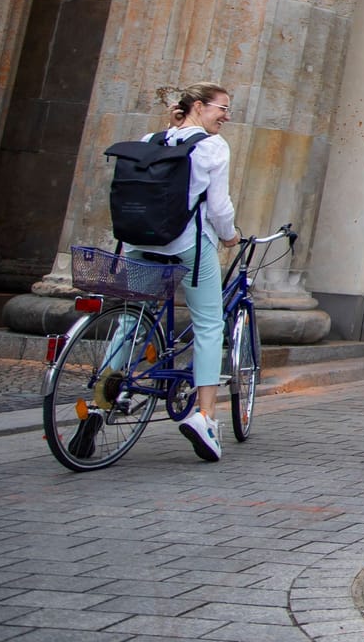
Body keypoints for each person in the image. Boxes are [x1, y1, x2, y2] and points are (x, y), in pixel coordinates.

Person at [99, 83, 239, 463]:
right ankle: (205, 417)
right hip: (185, 243)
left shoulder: (152, 138)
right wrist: (230, 237)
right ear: (198, 106)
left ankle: (106, 395)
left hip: (141, 241)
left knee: (132, 319)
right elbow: (219, 207)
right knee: (210, 323)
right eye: (222, 108)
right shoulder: (212, 147)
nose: (226, 116)